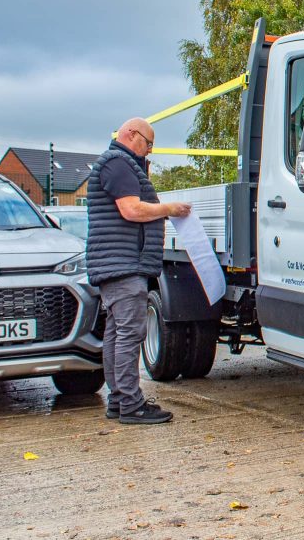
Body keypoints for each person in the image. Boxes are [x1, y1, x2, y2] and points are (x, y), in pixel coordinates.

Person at [86, 118, 191, 424]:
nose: (149, 151)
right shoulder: (118, 163)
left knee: (118, 334)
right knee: (129, 334)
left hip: (118, 263)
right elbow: (131, 209)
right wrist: (168, 209)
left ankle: (119, 401)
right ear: (132, 135)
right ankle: (131, 404)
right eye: (148, 143)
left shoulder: (119, 164)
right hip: (123, 264)